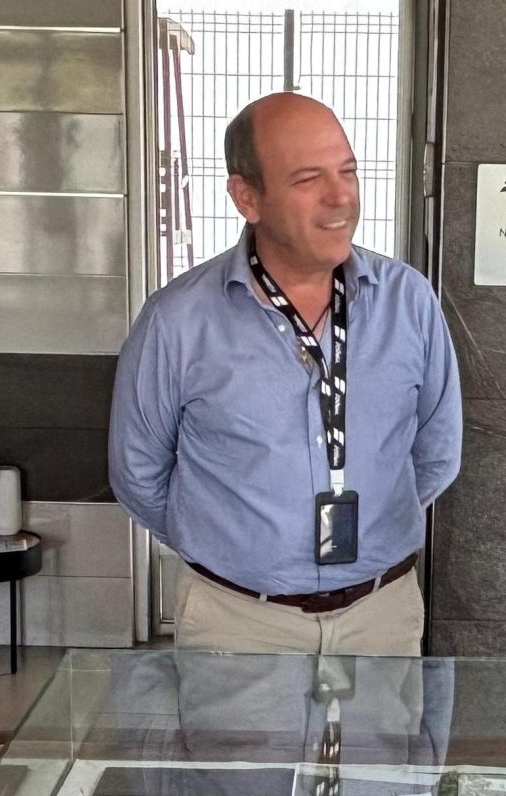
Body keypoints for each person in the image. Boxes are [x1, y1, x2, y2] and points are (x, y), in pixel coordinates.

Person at [110, 93, 461, 656]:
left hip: (380, 617)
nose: (340, 196)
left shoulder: (408, 302)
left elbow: (437, 451)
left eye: (348, 171)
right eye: (308, 179)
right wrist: (234, 549)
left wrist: (373, 527)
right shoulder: (178, 321)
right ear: (247, 197)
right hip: (236, 622)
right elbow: (137, 473)